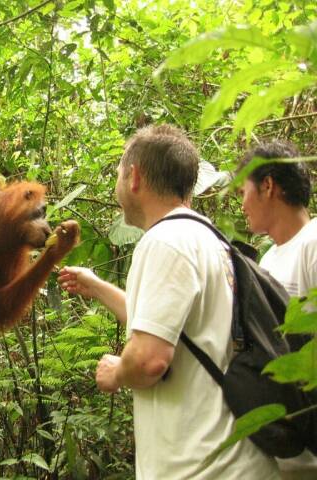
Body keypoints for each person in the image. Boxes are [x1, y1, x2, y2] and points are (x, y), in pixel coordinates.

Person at [59, 124, 279, 479]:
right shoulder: (206, 238)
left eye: (118, 173)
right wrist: (96, 286)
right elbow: (170, 325)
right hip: (235, 462)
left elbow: (149, 360)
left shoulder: (164, 241)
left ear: (134, 177)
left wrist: (117, 372)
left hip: (206, 468)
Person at [238, 140, 317, 480]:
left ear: (268, 186)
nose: (241, 205)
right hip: (286, 455)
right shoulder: (269, 258)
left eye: (243, 192)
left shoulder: (313, 243)